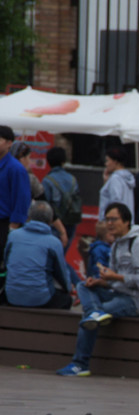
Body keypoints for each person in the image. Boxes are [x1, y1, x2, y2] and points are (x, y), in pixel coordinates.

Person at [56, 202, 139, 377]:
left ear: (126, 221)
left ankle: (80, 364)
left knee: (91, 318)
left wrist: (114, 277)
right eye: (107, 219)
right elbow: (114, 282)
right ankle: (94, 312)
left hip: (135, 301)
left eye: (113, 219)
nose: (109, 223)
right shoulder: (115, 244)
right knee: (83, 286)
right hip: (117, 293)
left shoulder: (138, 244)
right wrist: (102, 282)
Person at [2, 201, 70, 309]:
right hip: (40, 299)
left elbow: (6, 263)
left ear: (29, 216)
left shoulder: (13, 236)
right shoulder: (54, 243)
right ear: (51, 220)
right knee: (66, 300)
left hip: (12, 296)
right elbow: (62, 275)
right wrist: (68, 289)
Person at [0, 126, 32, 265]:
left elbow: (21, 200)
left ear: (9, 143)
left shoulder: (15, 168)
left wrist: (13, 228)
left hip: (4, 224)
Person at [41, 146, 82, 251]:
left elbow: (45, 205)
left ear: (48, 161)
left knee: (52, 256)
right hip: (71, 222)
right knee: (62, 255)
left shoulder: (47, 180)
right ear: (64, 161)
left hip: (54, 223)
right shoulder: (72, 179)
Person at [98, 148, 135, 222]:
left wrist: (109, 221)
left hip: (113, 222)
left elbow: (115, 201)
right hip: (126, 221)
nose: (106, 164)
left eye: (108, 160)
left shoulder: (115, 179)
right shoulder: (127, 178)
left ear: (115, 162)